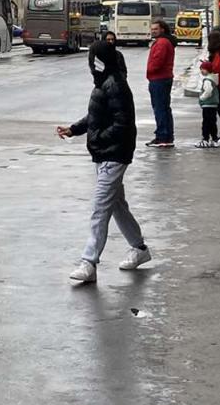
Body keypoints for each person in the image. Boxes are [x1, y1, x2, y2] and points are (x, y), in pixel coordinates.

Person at [56, 40, 150, 283]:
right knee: (117, 205)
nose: (90, 64)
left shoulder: (115, 85)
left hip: (113, 155)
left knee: (100, 208)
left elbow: (122, 124)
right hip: (106, 153)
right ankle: (139, 249)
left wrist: (97, 138)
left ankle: (89, 261)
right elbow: (96, 115)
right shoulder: (106, 83)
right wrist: (75, 129)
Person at [144, 20, 176, 148]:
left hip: (159, 79)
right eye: (152, 29)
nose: (153, 31)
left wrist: (150, 70)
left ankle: (162, 136)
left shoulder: (161, 43)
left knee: (160, 108)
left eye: (156, 29)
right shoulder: (166, 42)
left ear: (162, 29)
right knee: (165, 108)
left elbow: (157, 62)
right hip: (164, 77)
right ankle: (167, 136)